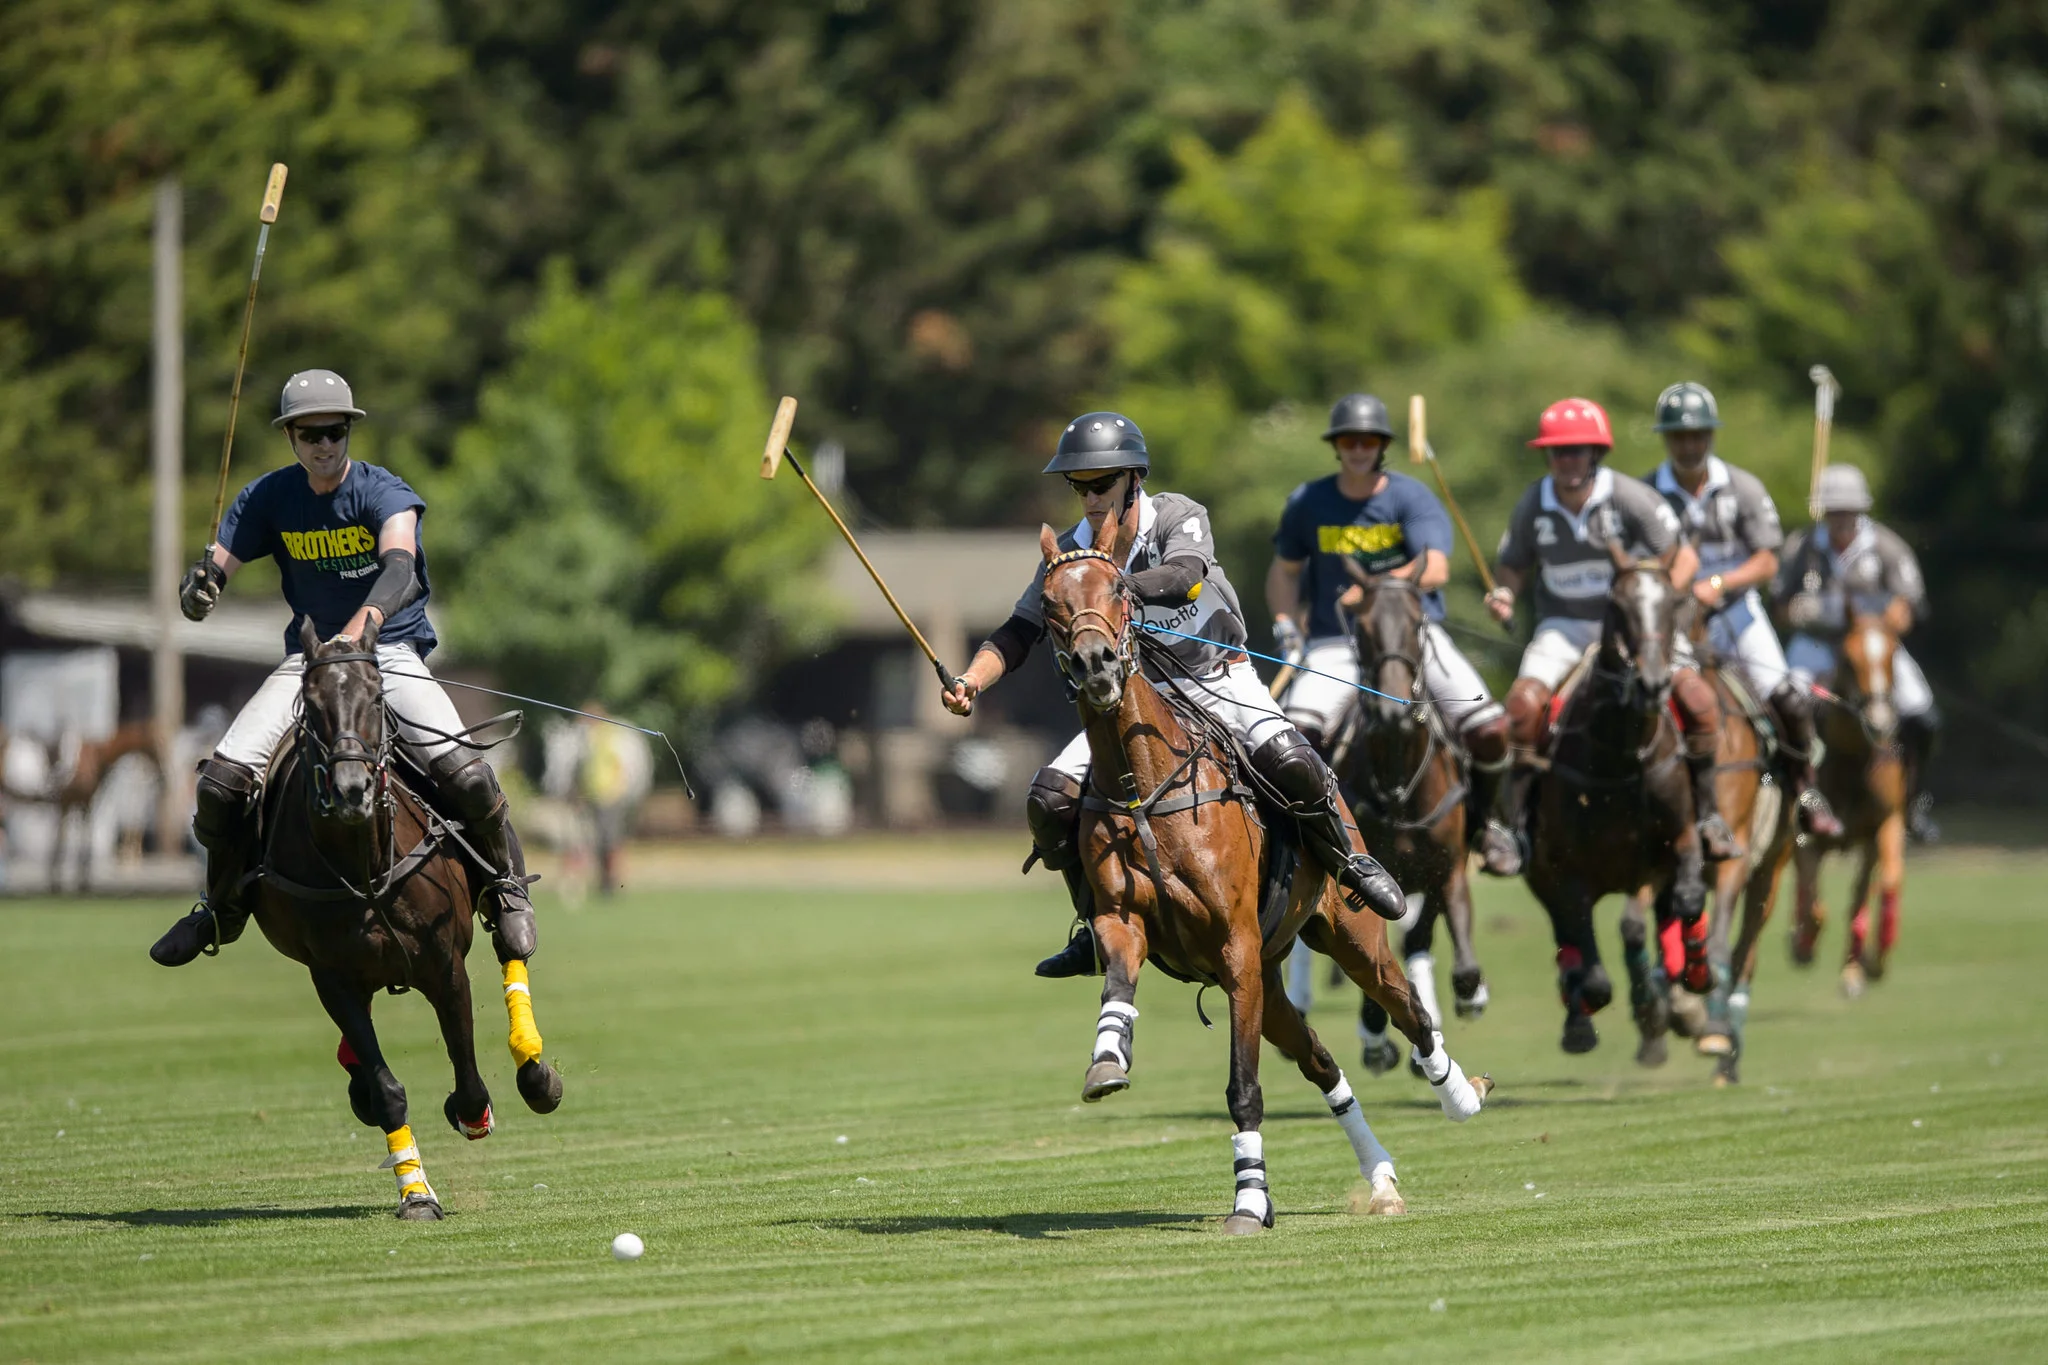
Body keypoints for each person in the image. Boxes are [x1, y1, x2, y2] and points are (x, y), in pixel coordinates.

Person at [941, 411, 1405, 978]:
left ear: (1134, 479)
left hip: (1216, 676)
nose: (1090, 497)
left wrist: (1115, 588)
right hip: (1140, 694)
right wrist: (970, 680)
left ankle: (1351, 860)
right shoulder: (1072, 556)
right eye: (1078, 485)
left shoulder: (1178, 516)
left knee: (1293, 760)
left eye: (1102, 483)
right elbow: (1018, 632)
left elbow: (1185, 575)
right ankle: (1092, 926)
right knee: (1049, 800)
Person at [150, 369, 539, 966]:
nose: (324, 444)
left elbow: (401, 568)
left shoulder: (384, 492)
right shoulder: (267, 497)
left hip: (387, 652)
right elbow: (215, 569)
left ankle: (506, 890)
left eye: (335, 431)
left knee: (468, 775)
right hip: (309, 664)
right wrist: (199, 588)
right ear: (291, 439)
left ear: (349, 431)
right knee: (221, 787)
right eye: (311, 435)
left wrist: (361, 628)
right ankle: (220, 908)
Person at [1481, 396, 1738, 875]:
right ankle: (1512, 828)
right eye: (1559, 452)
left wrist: (1660, 601)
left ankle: (1708, 818)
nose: (1568, 461)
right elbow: (1513, 564)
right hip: (1566, 627)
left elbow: (1682, 557)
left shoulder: (1628, 498)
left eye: (1578, 451)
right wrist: (1504, 593)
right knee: (1520, 709)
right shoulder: (1534, 502)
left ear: (1595, 453)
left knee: (1700, 702)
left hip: (1636, 628)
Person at [1267, 392, 1511, 818]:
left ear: (1382, 446)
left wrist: (1376, 590)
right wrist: (1286, 626)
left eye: (1368, 441)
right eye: (1349, 442)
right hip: (1335, 641)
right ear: (1336, 446)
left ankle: (1485, 823)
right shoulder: (1309, 501)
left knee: (1489, 729)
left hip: (1414, 637)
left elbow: (1434, 568)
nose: (1359, 450)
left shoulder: (1409, 497)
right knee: (1295, 736)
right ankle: (1308, 833)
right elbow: (1284, 572)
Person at [1647, 382, 1842, 838]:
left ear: (1711, 436)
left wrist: (1719, 582)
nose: (1689, 445)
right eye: (1679, 436)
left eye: (1698, 435)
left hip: (1736, 614)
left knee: (1786, 698)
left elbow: (1767, 560)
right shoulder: (1647, 494)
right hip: (1675, 620)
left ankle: (1806, 791)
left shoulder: (1742, 488)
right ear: (1666, 439)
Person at [1774, 463, 1941, 842]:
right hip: (1818, 643)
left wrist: (1879, 625)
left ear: (1861, 511)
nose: (1841, 519)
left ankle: (1914, 801)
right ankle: (1788, 793)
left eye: (1848, 511)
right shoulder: (1803, 546)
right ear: (1824, 511)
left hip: (1872, 646)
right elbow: (1780, 606)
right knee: (1783, 704)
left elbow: (1909, 605)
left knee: (1923, 713)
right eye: (1834, 511)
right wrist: (1805, 610)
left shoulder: (1886, 546)